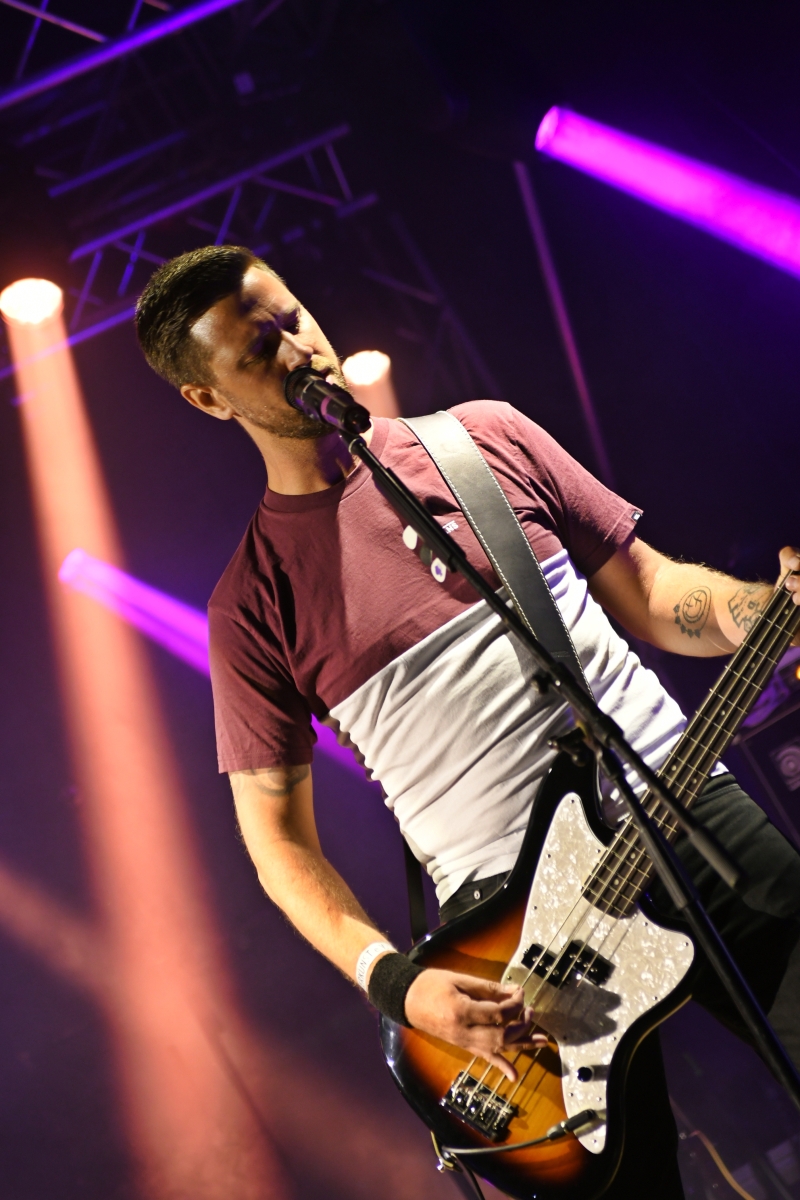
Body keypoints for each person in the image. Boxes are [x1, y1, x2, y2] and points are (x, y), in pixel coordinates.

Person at [135, 244, 800, 1199]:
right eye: (258, 351)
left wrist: (763, 614)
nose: (298, 350)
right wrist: (397, 983)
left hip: (681, 801)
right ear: (208, 398)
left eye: (292, 318)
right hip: (512, 930)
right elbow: (276, 844)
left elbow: (652, 593)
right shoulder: (252, 603)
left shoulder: (483, 438)